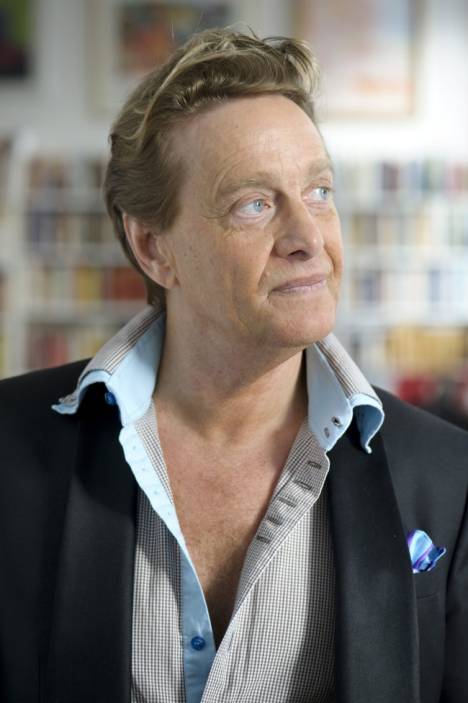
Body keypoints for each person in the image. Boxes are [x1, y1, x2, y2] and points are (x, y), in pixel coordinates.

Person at [0, 28, 467, 703]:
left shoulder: (448, 477)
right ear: (153, 247)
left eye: (319, 191)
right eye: (254, 203)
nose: (308, 238)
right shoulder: (10, 448)